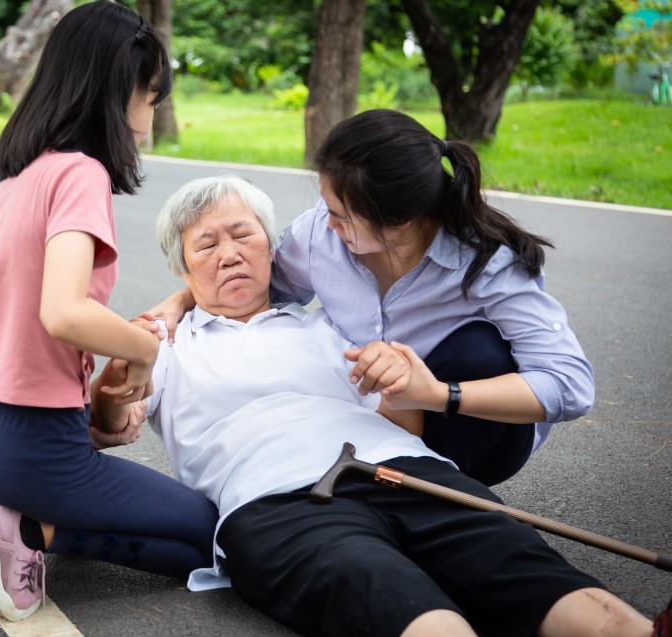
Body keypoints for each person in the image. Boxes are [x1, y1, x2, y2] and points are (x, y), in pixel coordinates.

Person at [98, 175, 671, 637]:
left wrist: (400, 379)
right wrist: (112, 389)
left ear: (272, 249)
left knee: (511, 554)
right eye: (207, 243)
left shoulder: (326, 329)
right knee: (379, 587)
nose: (229, 254)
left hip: (400, 466)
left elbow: (405, 424)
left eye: (243, 235)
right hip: (273, 498)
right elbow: (112, 426)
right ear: (182, 266)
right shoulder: (162, 344)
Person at [0, 1, 217, 623]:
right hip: (26, 450)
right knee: (209, 535)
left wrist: (90, 401)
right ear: (116, 91)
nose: (149, 122)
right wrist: (147, 350)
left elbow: (29, 315)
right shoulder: (80, 174)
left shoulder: (23, 171)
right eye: (150, 99)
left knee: (167, 524)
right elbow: (64, 313)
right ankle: (18, 531)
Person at [150, 109, 594, 486]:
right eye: (327, 208)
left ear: (399, 223)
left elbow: (570, 387)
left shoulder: (488, 264)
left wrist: (439, 394)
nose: (328, 226)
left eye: (342, 217)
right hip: (371, 428)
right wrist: (180, 301)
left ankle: (442, 494)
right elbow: (247, 285)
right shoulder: (318, 237)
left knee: (478, 348)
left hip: (465, 422)